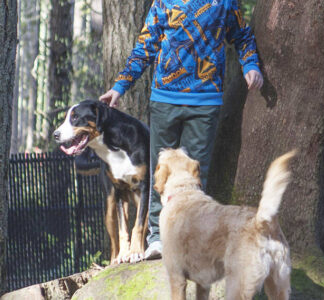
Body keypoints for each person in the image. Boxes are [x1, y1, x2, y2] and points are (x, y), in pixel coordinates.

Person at [99, 0, 263, 260]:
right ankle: (157, 238)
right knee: (159, 172)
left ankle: (191, 237)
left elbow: (242, 35)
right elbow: (146, 45)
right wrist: (120, 87)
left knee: (196, 175)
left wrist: (250, 65)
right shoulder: (163, 2)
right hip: (165, 99)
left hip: (206, 101)